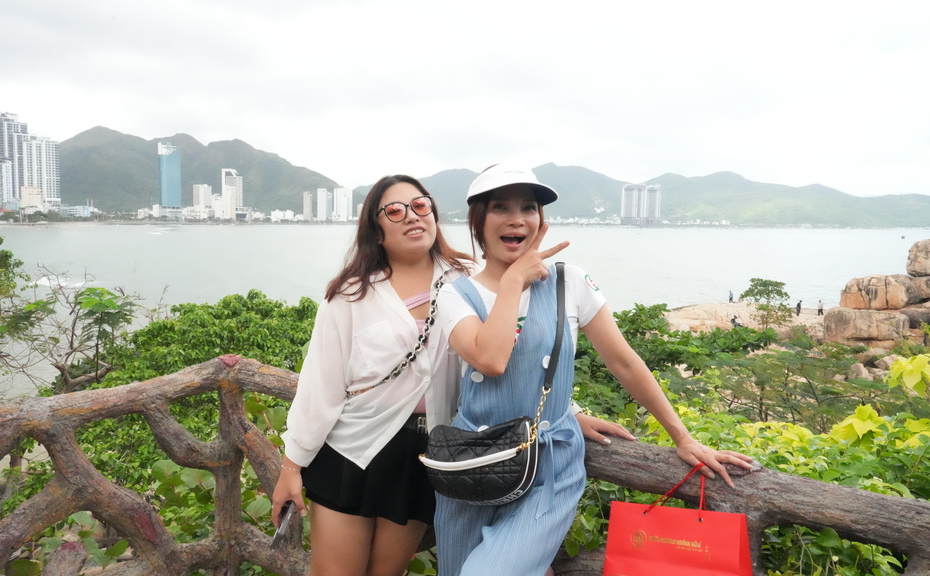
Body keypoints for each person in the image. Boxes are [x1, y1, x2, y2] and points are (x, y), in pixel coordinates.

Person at [433, 164, 753, 576]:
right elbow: (491, 360)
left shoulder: (569, 282)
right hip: (474, 461)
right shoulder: (454, 294)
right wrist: (513, 281)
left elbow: (623, 361)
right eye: (500, 208)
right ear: (478, 220)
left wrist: (682, 436)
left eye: (528, 208)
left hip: (548, 465)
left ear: (540, 220)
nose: (517, 219)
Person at [271, 175, 475, 576]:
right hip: (353, 449)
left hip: (423, 456)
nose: (411, 216)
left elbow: (506, 355)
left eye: (420, 205)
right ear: (377, 231)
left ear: (433, 214)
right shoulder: (351, 294)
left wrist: (569, 411)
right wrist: (291, 467)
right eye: (395, 211)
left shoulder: (468, 281)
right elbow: (321, 386)